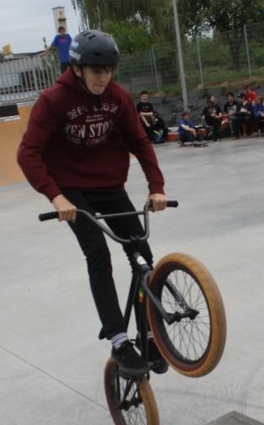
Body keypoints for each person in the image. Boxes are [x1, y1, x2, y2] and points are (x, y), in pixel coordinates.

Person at [17, 29, 168, 375]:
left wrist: (156, 186)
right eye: (95, 71)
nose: (102, 77)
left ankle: (148, 335)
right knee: (98, 253)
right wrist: (55, 196)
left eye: (108, 70)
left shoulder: (118, 98)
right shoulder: (53, 100)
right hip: (72, 191)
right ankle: (118, 339)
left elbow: (140, 143)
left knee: (141, 253)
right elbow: (28, 153)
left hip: (110, 185)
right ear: (78, 69)